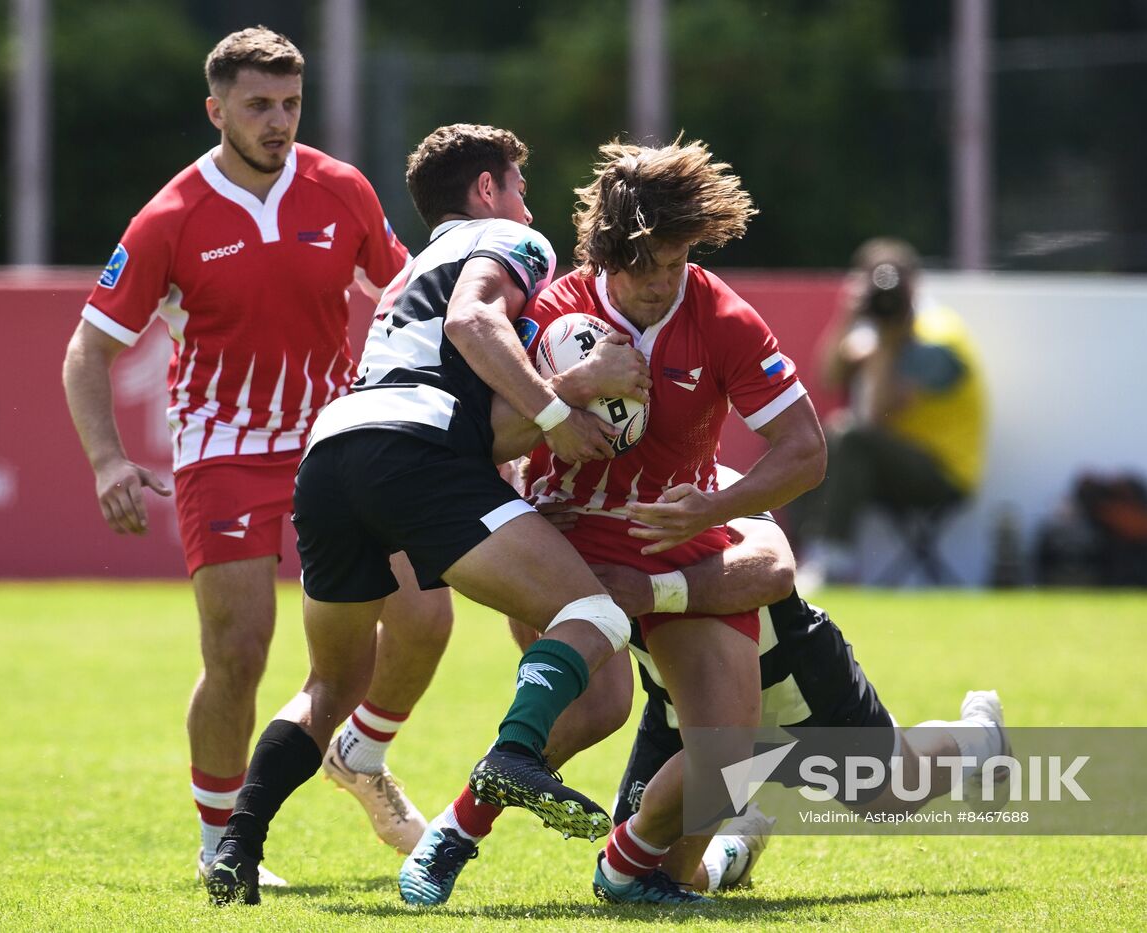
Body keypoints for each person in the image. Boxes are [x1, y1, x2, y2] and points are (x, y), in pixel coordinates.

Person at [205, 123, 652, 906]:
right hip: (416, 454)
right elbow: (472, 326)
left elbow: (469, 401)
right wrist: (559, 407)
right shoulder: (513, 242)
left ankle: (236, 846)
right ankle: (515, 755)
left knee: (331, 679)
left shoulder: (414, 269)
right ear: (487, 190)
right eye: (519, 185)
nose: (527, 201)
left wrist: (563, 395)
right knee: (594, 614)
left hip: (334, 452)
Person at [399, 137, 828, 907]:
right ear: (605, 251)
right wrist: (574, 386)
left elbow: (805, 450)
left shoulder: (722, 315)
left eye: (677, 262)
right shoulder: (557, 309)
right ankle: (455, 832)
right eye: (645, 266)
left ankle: (626, 865)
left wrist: (715, 505)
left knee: (730, 754)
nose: (663, 283)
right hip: (570, 540)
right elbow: (493, 437)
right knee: (599, 706)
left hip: (680, 536)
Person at [61, 26, 440, 886]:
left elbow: (412, 294)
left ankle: (363, 754)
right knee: (238, 652)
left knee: (423, 616)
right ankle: (218, 844)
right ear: (216, 109)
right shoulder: (171, 216)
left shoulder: (340, 190)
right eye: (259, 105)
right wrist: (107, 462)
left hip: (340, 441)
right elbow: (87, 351)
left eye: (291, 104)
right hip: (224, 449)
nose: (278, 121)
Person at [596, 490, 1010, 894]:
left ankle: (982, 734)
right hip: (683, 700)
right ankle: (735, 849)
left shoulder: (706, 476)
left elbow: (773, 570)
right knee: (650, 879)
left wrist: (655, 590)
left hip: (790, 676)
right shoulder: (562, 508)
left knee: (895, 794)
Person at [798, 238, 987, 585]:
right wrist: (847, 316)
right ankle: (803, 553)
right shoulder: (876, 333)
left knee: (849, 436)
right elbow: (828, 378)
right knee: (807, 444)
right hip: (897, 464)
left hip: (942, 472)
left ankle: (832, 561)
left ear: (915, 284)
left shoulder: (937, 336)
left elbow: (880, 413)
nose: (885, 297)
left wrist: (887, 341)